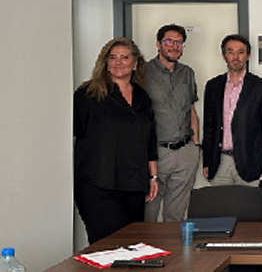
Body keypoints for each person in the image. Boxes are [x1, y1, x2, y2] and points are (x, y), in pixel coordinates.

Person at [73, 38, 158, 243]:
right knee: (107, 246)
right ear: (106, 63)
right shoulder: (88, 95)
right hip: (99, 184)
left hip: (134, 185)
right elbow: (71, 132)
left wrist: (153, 177)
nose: (118, 62)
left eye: (124, 57)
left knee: (133, 246)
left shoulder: (142, 97)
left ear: (135, 62)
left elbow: (149, 139)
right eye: (113, 57)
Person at [203, 34, 262, 187]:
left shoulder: (261, 87)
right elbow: (209, 128)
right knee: (220, 203)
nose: (235, 57)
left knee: (249, 203)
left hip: (251, 163)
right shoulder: (213, 86)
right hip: (219, 163)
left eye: (241, 52)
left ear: (248, 56)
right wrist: (207, 162)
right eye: (230, 52)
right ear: (224, 56)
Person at [142, 24, 200, 223]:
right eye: (169, 41)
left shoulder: (187, 73)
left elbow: (191, 110)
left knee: (175, 216)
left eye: (179, 42)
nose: (174, 46)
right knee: (148, 214)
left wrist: (196, 146)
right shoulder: (143, 72)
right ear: (158, 44)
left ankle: (172, 245)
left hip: (185, 151)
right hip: (155, 153)